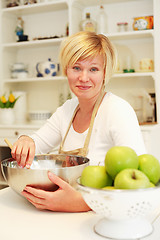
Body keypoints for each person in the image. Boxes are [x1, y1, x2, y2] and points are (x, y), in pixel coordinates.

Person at [11, 31, 146, 212]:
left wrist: (82, 203)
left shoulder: (118, 110)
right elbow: (37, 144)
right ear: (66, 69)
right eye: (76, 68)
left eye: (93, 69)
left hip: (102, 217)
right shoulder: (67, 109)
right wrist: (26, 140)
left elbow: (137, 182)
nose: (83, 78)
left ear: (105, 73)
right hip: (60, 216)